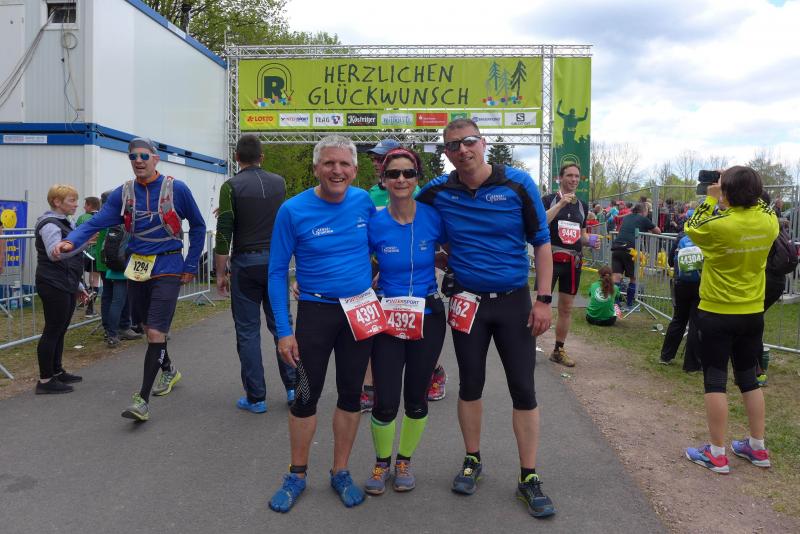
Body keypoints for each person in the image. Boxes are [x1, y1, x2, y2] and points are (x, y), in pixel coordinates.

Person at [417, 118, 556, 518]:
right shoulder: (439, 190)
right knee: (470, 384)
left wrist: (544, 300)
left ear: (483, 143)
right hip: (468, 302)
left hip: (513, 302)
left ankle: (529, 476)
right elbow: (402, 212)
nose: (462, 150)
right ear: (446, 154)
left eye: (469, 141)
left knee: (523, 388)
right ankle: (472, 459)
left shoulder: (517, 183)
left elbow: (541, 242)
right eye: (453, 145)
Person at [54, 137, 206, 421]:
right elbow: (98, 221)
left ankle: (142, 401)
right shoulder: (123, 193)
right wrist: (71, 241)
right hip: (137, 265)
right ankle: (169, 370)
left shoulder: (177, 189)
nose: (138, 161)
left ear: (155, 159)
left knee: (155, 331)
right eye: (133, 156)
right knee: (146, 327)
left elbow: (198, 226)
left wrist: (191, 263)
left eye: (143, 156)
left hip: (168, 264)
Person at [267, 135, 378, 512]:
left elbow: (379, 244)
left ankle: (340, 471)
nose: (337, 170)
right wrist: (284, 331)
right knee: (304, 397)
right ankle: (296, 474)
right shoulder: (292, 210)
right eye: (329, 163)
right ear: (316, 168)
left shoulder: (364, 202)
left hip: (358, 313)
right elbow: (276, 272)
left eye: (344, 164)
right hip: (315, 314)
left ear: (355, 170)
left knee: (351, 396)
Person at [362, 148, 447, 495]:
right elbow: (352, 260)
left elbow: (461, 248)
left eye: (408, 173)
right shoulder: (374, 222)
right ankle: (382, 462)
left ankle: (404, 461)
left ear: (416, 179)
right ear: (383, 179)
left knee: (416, 397)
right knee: (384, 399)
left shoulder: (433, 217)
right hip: (387, 319)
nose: (401, 179)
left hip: (428, 316)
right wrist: (308, 281)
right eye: (393, 173)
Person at [683, 166, 779, 474]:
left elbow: (691, 226)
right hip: (752, 312)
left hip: (717, 312)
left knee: (715, 381)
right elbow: (763, 202)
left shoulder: (718, 226)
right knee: (749, 379)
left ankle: (716, 453)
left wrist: (711, 198)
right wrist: (738, 182)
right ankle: (757, 447)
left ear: (726, 192)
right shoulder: (769, 221)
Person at [215, 134, 296, 413]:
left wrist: (220, 273)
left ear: (236, 157)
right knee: (282, 326)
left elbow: (224, 233)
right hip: (275, 263)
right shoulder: (279, 183)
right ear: (262, 157)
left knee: (248, 331)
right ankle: (293, 388)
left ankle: (256, 397)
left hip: (245, 264)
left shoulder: (230, 186)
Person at [539, 163, 599, 367]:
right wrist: (560, 205)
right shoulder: (548, 200)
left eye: (577, 177)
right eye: (570, 175)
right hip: (549, 260)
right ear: (560, 178)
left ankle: (558, 350)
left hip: (573, 262)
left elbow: (581, 235)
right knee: (540, 304)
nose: (574, 180)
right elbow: (539, 223)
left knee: (566, 308)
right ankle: (526, 348)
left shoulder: (582, 205)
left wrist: (590, 241)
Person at [34, 185, 88, 393]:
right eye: (71, 200)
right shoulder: (50, 225)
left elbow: (70, 260)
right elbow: (54, 254)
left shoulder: (66, 222)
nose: (76, 205)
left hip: (65, 282)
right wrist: (83, 244)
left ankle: (56, 371)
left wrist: (78, 285)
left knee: (60, 329)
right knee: (53, 330)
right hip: (52, 283)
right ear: (57, 202)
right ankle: (45, 380)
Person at [95, 190, 141, 347]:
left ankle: (114, 328)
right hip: (121, 263)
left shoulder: (105, 216)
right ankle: (114, 332)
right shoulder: (123, 218)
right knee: (118, 299)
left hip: (108, 262)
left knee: (110, 297)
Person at [659, 225, 702, 371]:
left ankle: (665, 356)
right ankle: (692, 364)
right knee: (695, 323)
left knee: (678, 319)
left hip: (680, 283)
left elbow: (671, 261)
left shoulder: (681, 236)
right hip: (700, 283)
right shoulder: (707, 236)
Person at [611, 202, 661, 309]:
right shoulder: (643, 219)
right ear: (643, 211)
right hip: (630, 250)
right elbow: (658, 231)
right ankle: (629, 304)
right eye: (647, 211)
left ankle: (615, 304)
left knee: (616, 277)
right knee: (633, 278)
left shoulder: (627, 217)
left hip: (616, 247)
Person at [76, 196, 101, 317]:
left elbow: (76, 232)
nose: (84, 207)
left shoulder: (82, 217)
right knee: (94, 280)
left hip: (83, 252)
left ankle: (84, 294)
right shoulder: (102, 217)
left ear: (90, 205)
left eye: (85, 204)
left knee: (76, 275)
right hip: (96, 253)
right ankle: (90, 310)